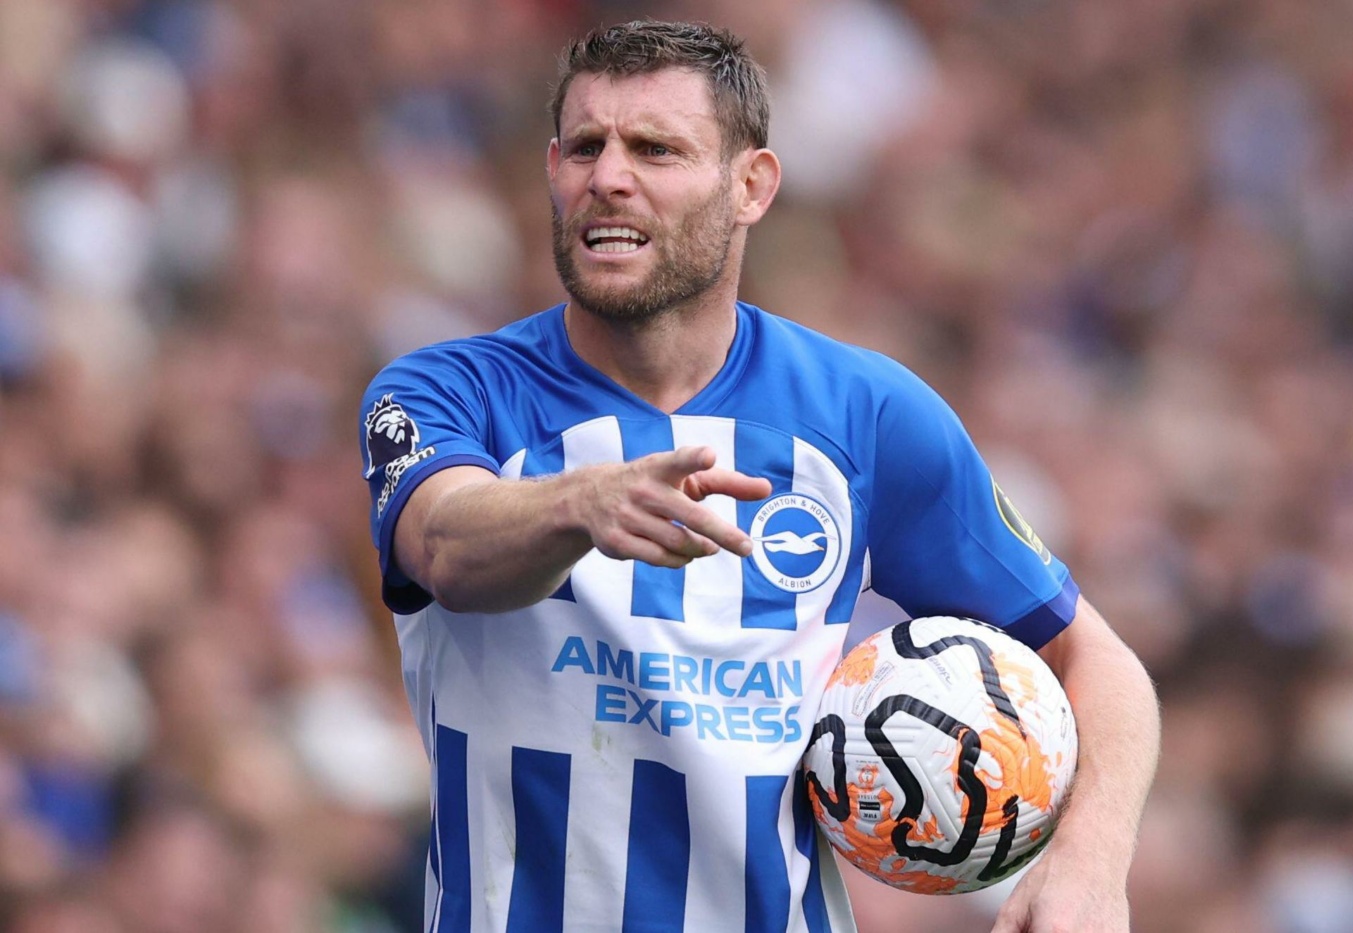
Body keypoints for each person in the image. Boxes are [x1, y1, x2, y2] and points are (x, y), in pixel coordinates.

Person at [359, 20, 1159, 933]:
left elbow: (1096, 660)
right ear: (552, 170)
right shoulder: (445, 391)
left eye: (655, 149)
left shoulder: (864, 414)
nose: (608, 176)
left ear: (752, 185)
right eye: (585, 147)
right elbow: (445, 544)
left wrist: (1092, 863)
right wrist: (580, 501)